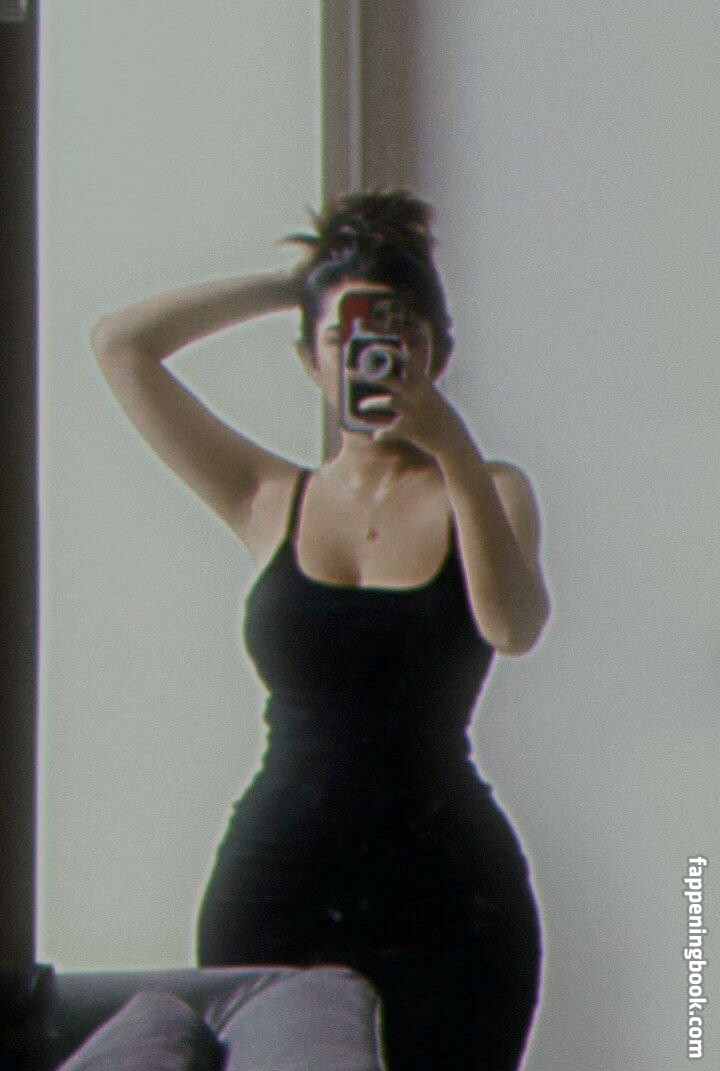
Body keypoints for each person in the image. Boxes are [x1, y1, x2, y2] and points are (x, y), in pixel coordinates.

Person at [91, 190, 551, 1070]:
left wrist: (451, 446)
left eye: (398, 331)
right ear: (310, 358)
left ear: (435, 350)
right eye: (344, 338)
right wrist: (297, 286)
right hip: (280, 881)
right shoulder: (268, 496)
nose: (370, 353)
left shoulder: (491, 488)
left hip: (451, 895)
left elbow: (513, 625)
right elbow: (122, 345)